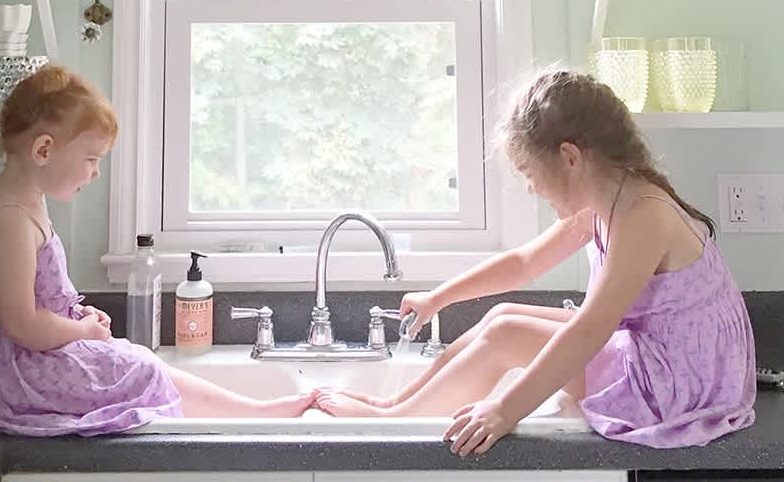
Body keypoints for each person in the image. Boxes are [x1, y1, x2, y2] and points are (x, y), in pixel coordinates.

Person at [317, 67, 755, 455]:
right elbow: (524, 263)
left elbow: (588, 331)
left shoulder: (642, 214)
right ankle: (396, 405)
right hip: (659, 355)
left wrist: (504, 412)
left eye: (531, 175)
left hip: (677, 384)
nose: (530, 189)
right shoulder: (605, 198)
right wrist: (439, 298)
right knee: (502, 314)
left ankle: (394, 423)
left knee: (508, 333)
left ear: (570, 158)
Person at [0, 63, 316, 435]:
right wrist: (82, 332)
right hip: (6, 376)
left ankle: (251, 410)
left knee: (135, 359)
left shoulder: (26, 200)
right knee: (139, 369)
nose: (96, 173)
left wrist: (75, 319)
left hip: (16, 359)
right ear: (43, 150)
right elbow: (21, 325)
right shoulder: (11, 220)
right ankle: (251, 413)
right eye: (91, 159)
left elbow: (33, 305)